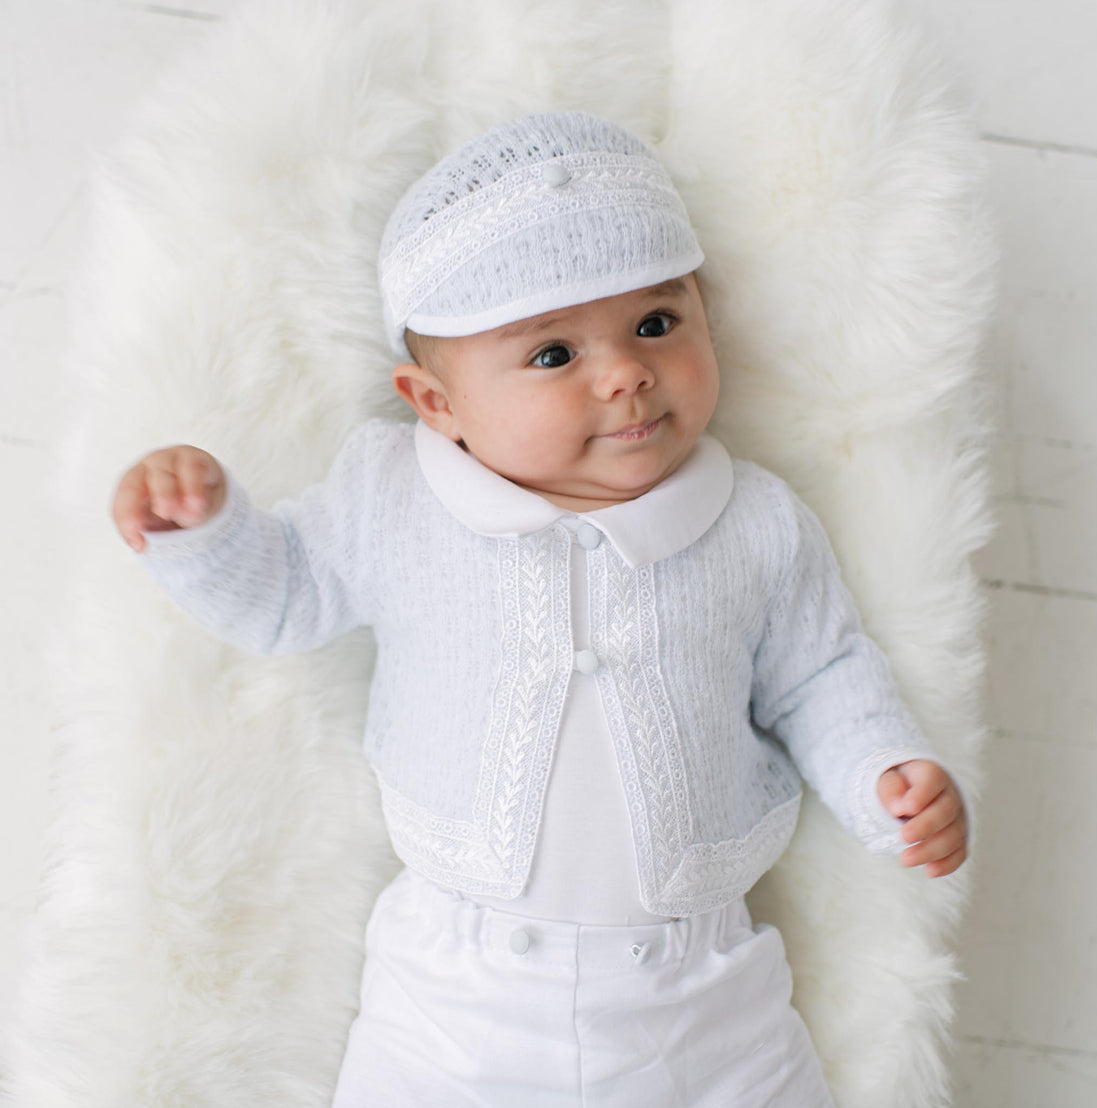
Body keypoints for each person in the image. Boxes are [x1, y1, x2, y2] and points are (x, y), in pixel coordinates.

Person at [111, 111, 968, 1107]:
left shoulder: (755, 525)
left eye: (656, 323)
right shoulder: (394, 499)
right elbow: (288, 594)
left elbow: (821, 677)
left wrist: (883, 775)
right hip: (452, 997)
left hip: (702, 998)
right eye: (554, 355)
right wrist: (203, 531)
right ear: (436, 404)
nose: (626, 372)